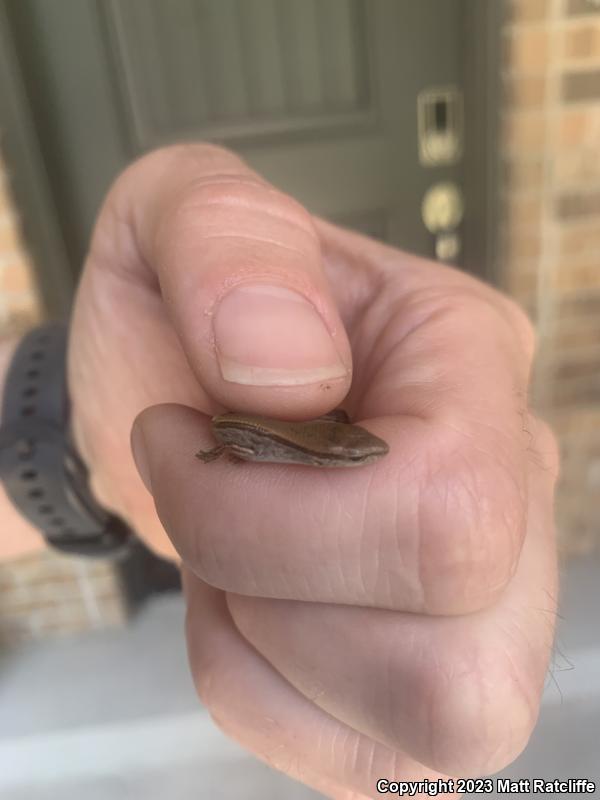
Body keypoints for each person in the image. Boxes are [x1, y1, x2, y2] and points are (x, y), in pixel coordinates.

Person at [0, 143, 559, 799]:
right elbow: (249, 442)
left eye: (349, 451)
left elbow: (332, 441)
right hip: (232, 434)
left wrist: (79, 440)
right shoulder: (299, 447)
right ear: (327, 452)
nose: (361, 456)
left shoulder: (323, 445)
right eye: (349, 453)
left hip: (216, 438)